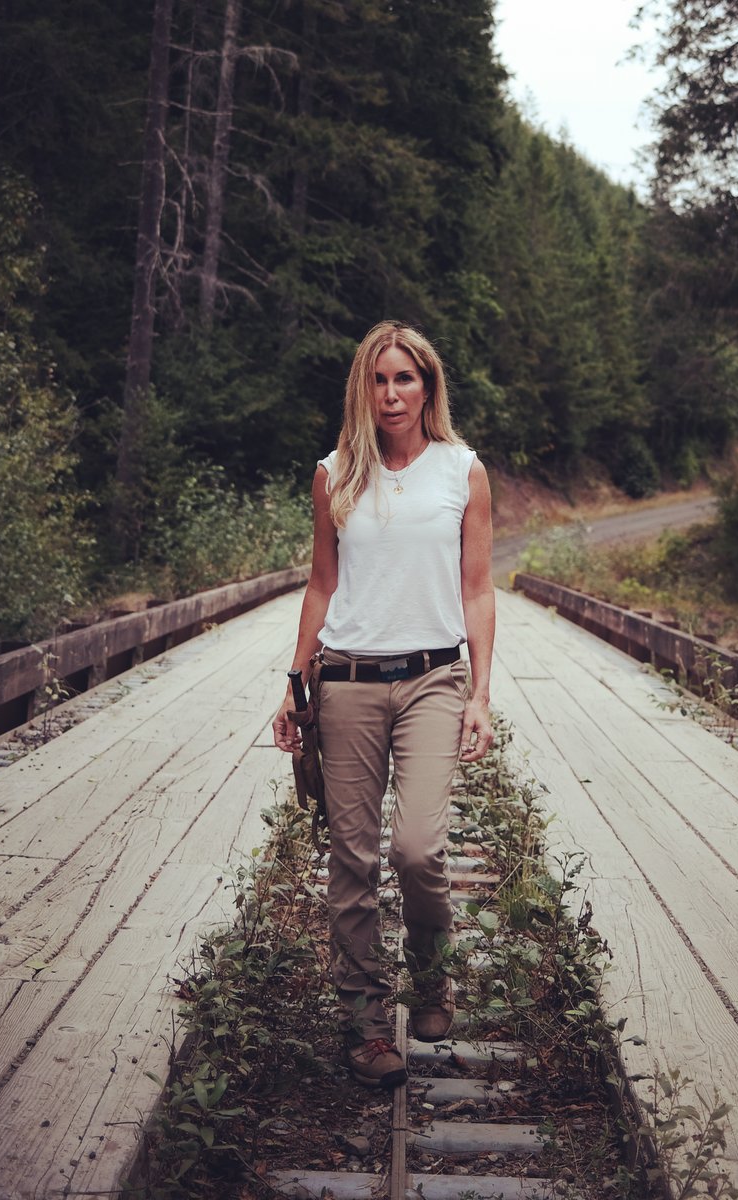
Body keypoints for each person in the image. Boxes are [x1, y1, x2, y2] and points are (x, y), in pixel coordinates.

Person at [273, 320, 495, 1089]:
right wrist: (295, 682)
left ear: (427, 386)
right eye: (379, 379)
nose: (392, 393)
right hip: (347, 684)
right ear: (361, 389)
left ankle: (431, 975)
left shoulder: (463, 472)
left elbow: (476, 587)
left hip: (435, 677)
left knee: (418, 848)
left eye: (406, 378)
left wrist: (482, 695)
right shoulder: (335, 474)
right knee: (352, 861)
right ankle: (367, 1023)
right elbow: (321, 584)